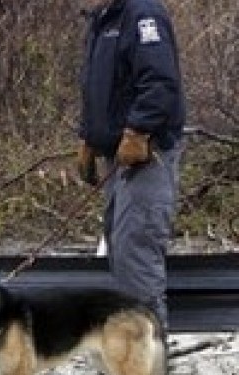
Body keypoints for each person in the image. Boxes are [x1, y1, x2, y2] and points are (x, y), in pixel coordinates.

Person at [76, 0, 184, 327]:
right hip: (116, 156)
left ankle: (147, 356)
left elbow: (160, 81)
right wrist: (89, 138)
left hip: (148, 153)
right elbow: (99, 91)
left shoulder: (142, 14)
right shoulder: (102, 22)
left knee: (136, 253)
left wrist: (139, 130)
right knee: (120, 247)